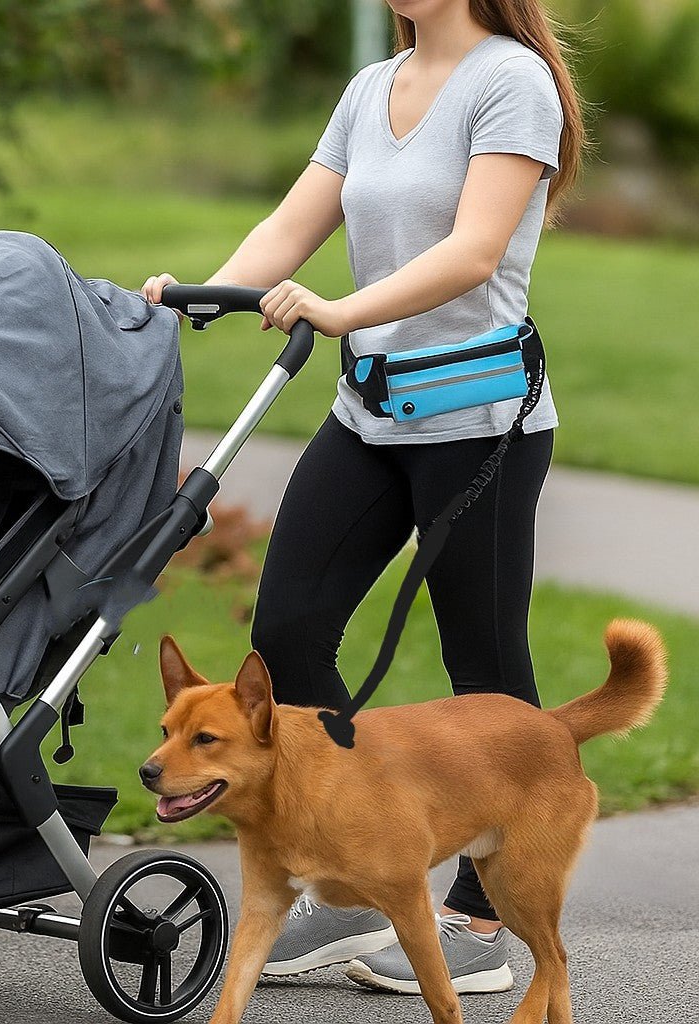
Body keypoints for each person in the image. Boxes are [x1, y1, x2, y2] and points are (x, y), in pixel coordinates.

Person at [143, 0, 585, 998]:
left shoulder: (510, 82)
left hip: (479, 422)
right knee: (289, 630)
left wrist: (340, 310)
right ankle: (348, 883)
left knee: (484, 661)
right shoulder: (369, 88)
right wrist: (195, 300)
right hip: (370, 414)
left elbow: (474, 251)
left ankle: (477, 914)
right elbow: (290, 225)